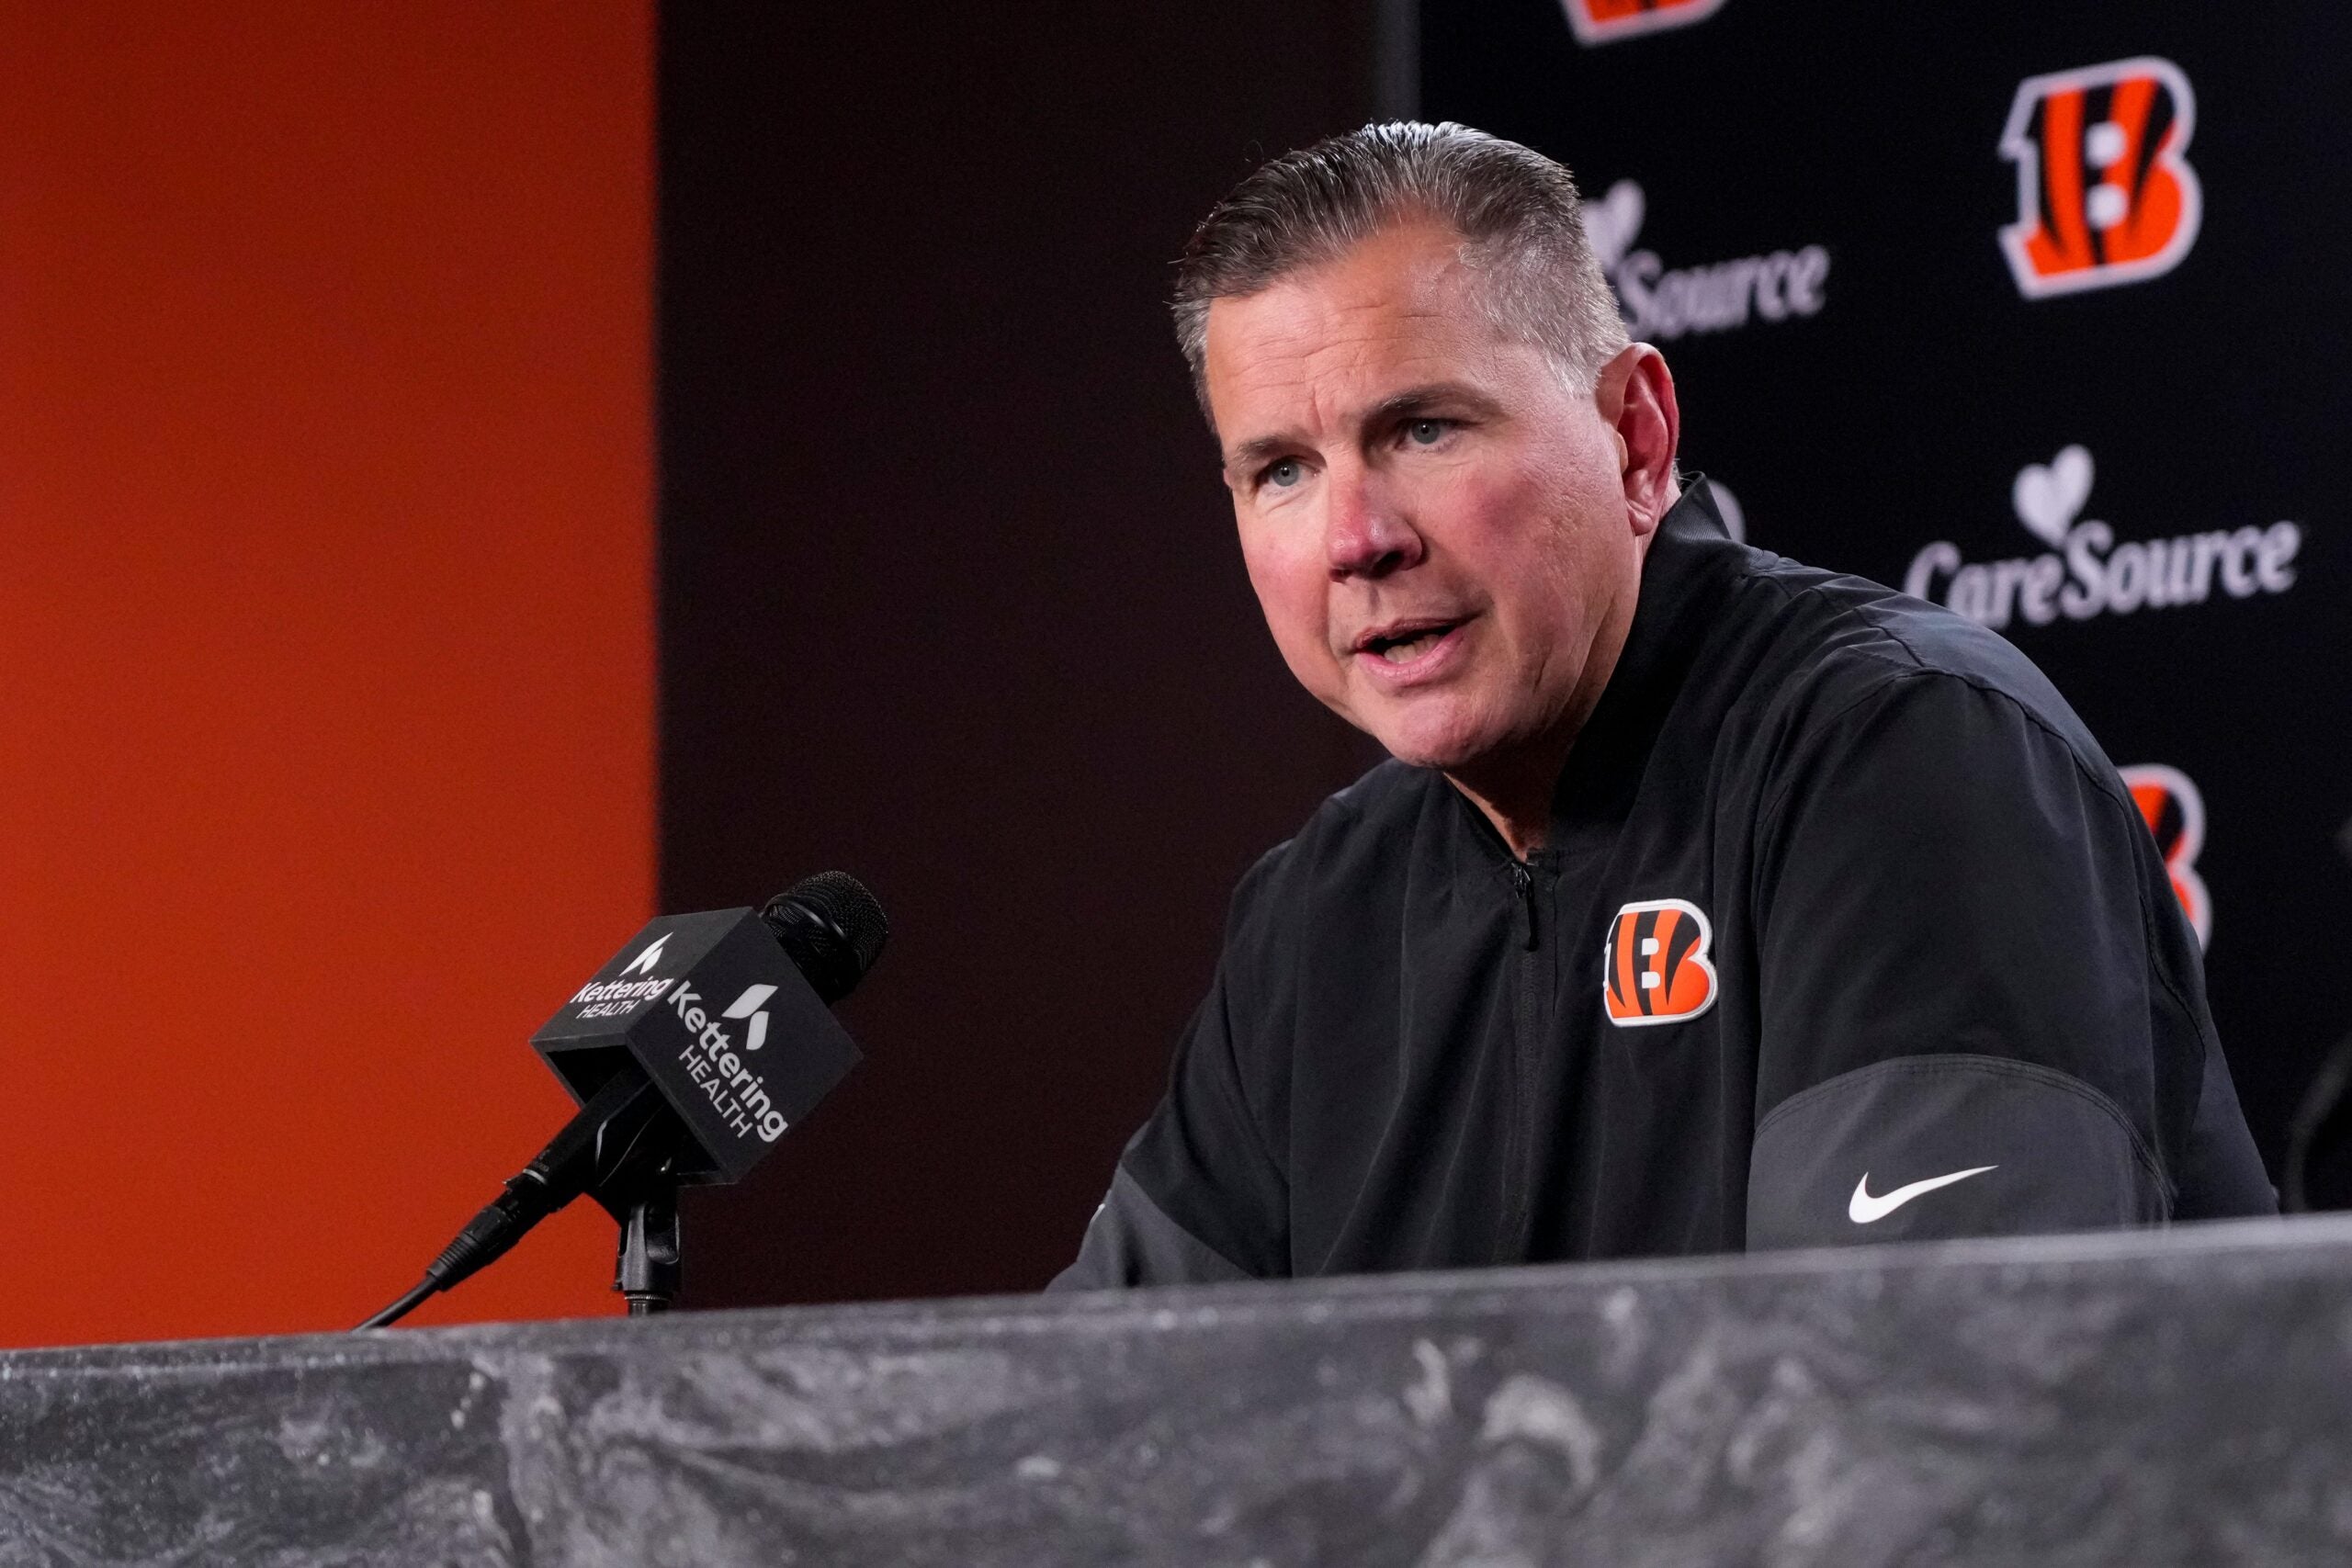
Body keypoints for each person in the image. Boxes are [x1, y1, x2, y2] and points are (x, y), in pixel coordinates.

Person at [1051, 122, 2273, 1290]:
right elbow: (1091, 1418)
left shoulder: (1898, 756)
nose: (1355, 541)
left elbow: (1925, 1411)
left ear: (1635, 440)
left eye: (1423, 429)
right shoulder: (1322, 912)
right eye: (1282, 471)